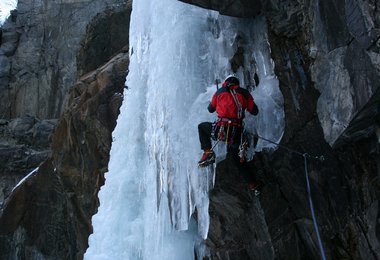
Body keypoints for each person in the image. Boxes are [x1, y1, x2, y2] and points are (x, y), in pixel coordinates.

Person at [198, 74, 259, 167]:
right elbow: (255, 111)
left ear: (225, 82)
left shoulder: (219, 92)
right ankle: (251, 181)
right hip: (237, 133)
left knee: (202, 127)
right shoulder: (244, 93)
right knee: (237, 158)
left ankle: (207, 152)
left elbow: (210, 109)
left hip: (221, 129)